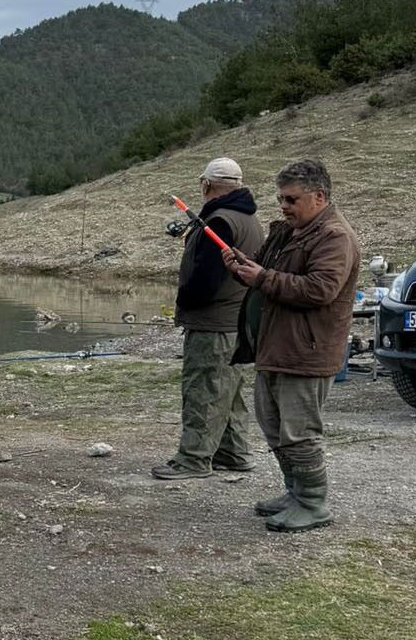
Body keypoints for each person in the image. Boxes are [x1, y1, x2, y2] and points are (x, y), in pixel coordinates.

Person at [223, 158, 360, 532]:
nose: (283, 206)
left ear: (319, 196)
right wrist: (243, 268)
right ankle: (295, 492)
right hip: (276, 347)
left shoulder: (335, 237)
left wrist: (263, 277)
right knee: (273, 426)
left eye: (291, 199)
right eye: (280, 198)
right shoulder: (290, 232)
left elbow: (320, 289)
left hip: (306, 352)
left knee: (299, 433)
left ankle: (313, 503)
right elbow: (268, 274)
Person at [153, 157, 265, 480]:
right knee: (229, 391)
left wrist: (185, 302)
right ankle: (234, 452)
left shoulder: (219, 221)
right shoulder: (249, 219)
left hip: (214, 324)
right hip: (238, 322)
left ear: (206, 185)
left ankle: (194, 459)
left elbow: (206, 280)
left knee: (203, 390)